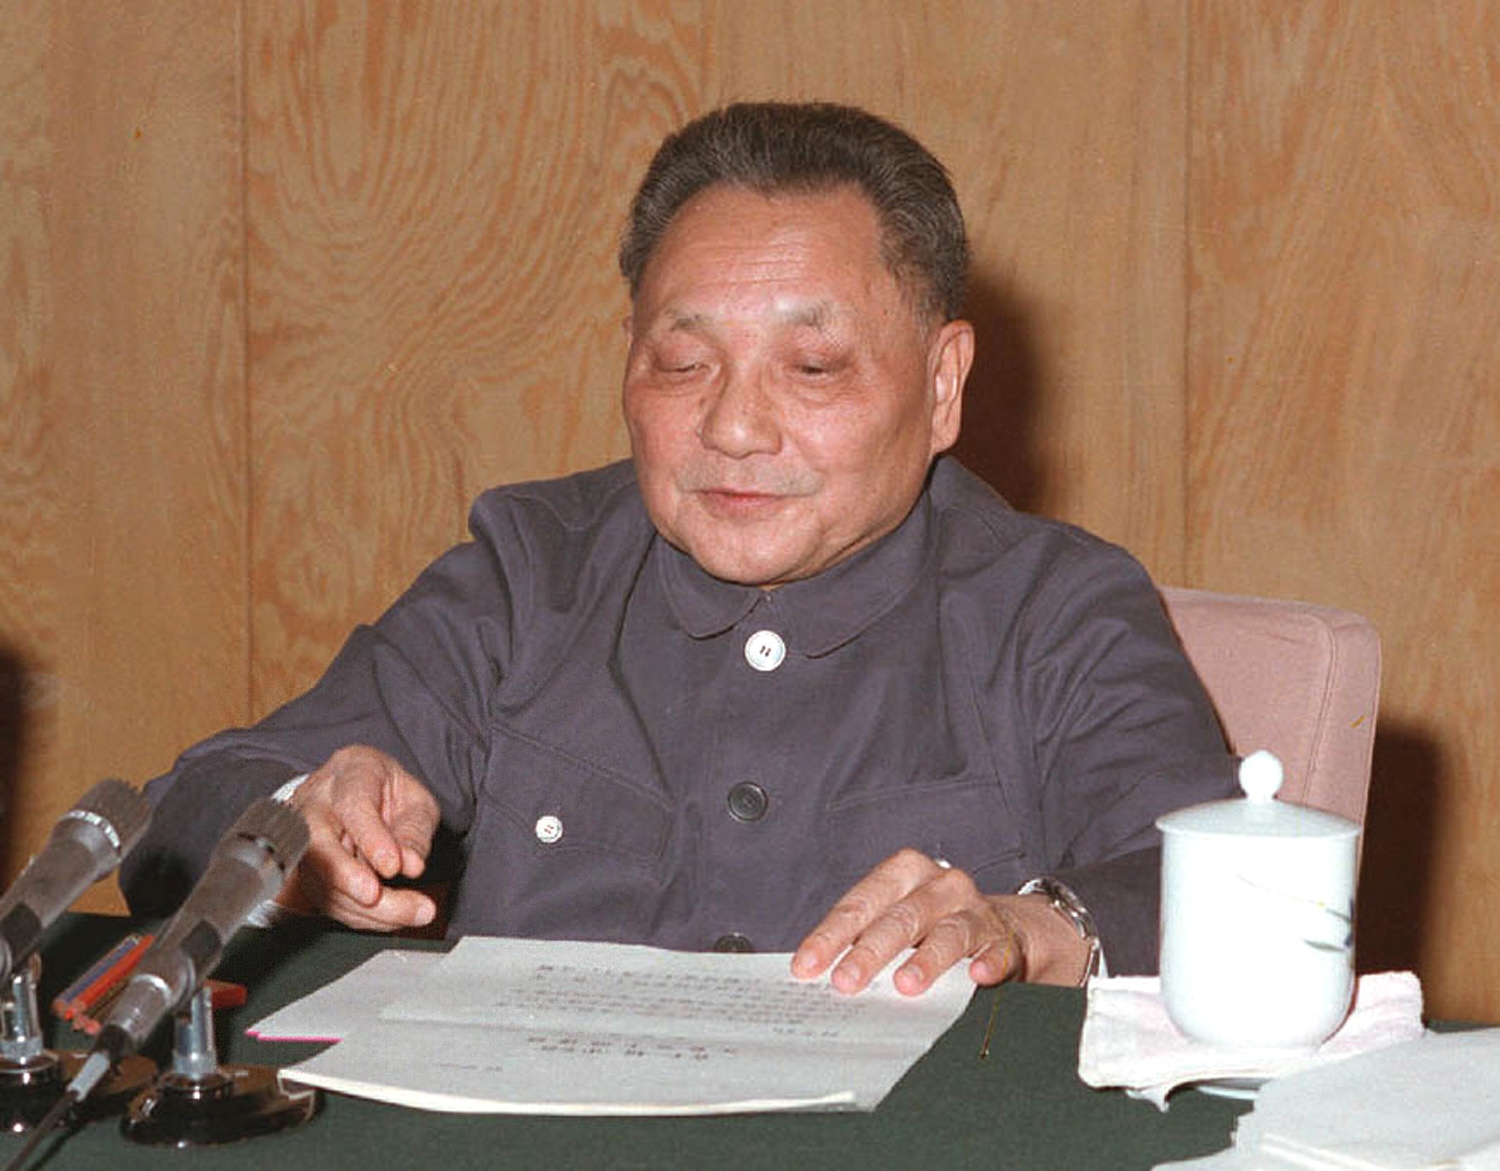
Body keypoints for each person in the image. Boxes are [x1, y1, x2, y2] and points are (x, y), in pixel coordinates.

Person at [121, 101, 1236, 994]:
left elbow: (1226, 897)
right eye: (682, 363)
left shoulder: (1055, 610)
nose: (734, 428)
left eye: (813, 368)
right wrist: (300, 818)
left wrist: (1031, 928)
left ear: (943, 385)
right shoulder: (531, 573)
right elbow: (180, 816)